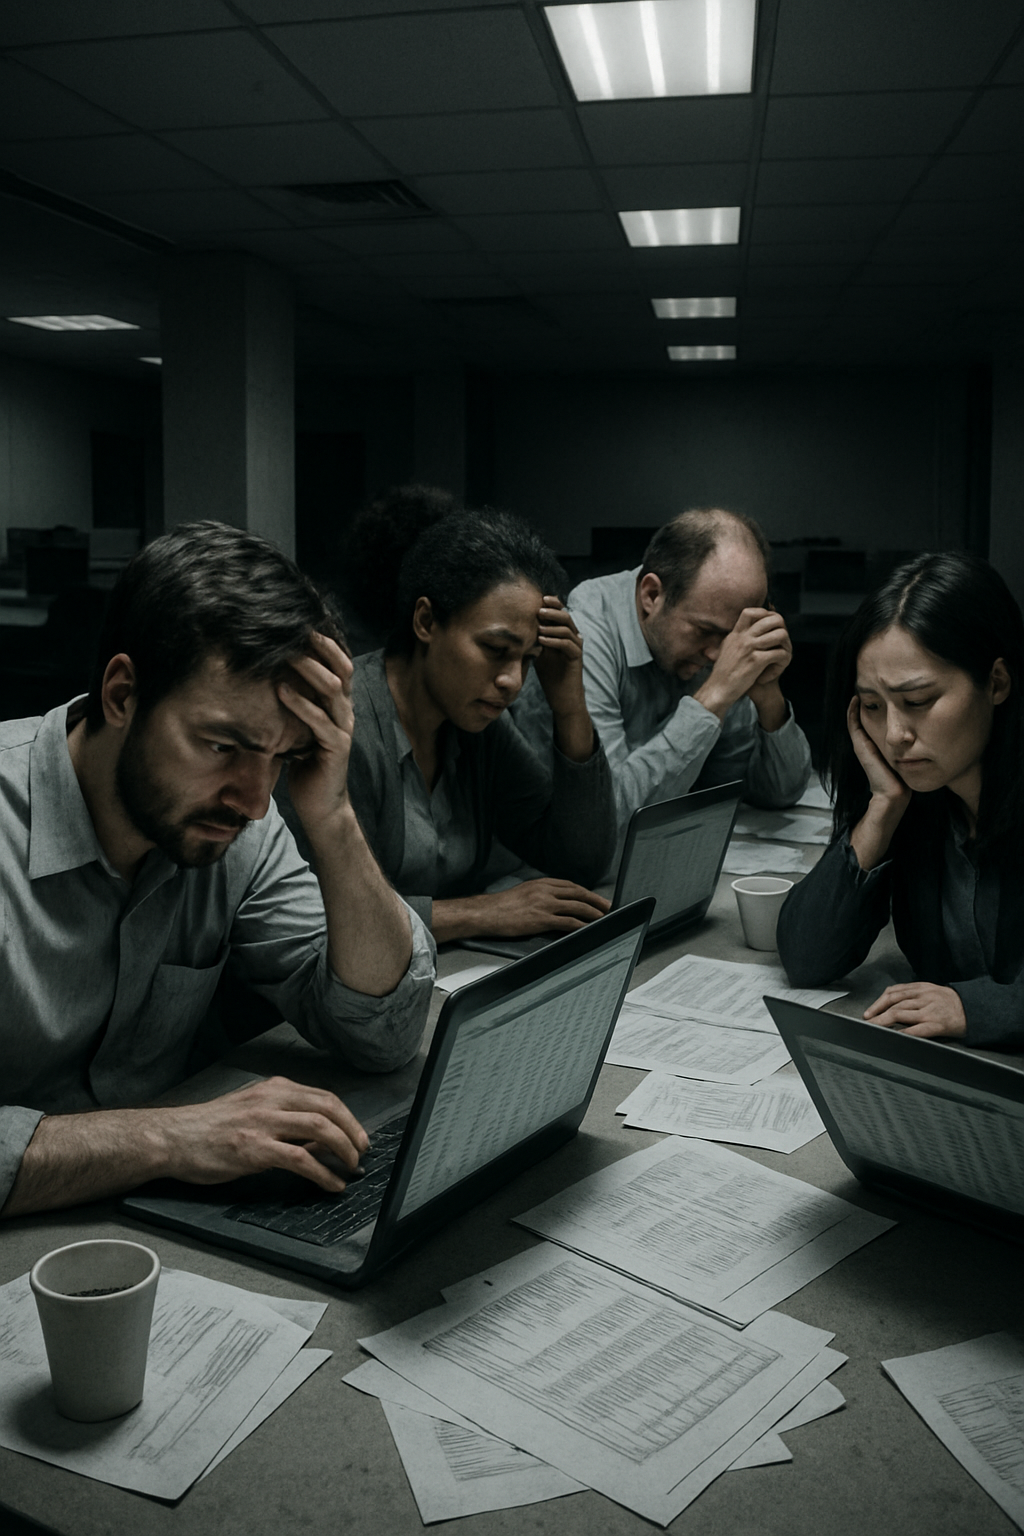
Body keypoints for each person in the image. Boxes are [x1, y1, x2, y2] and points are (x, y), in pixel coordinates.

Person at [0, 522, 435, 1219]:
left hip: (159, 1233)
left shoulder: (234, 828)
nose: (256, 802)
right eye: (223, 745)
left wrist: (332, 818)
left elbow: (384, 1032)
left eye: (283, 757)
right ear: (121, 694)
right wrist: (167, 1136)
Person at [285, 508, 617, 944]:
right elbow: (327, 920)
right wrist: (479, 914)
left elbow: (580, 860)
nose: (512, 682)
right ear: (426, 621)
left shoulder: (479, 728)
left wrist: (570, 707)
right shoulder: (344, 728)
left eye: (530, 660)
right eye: (496, 649)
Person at [777, 551, 1024, 1047]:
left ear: (996, 683)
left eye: (918, 702)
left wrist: (975, 1008)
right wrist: (882, 808)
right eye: (871, 706)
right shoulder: (923, 801)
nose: (893, 734)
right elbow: (807, 957)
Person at [512, 508, 811, 846]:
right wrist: (713, 697)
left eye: (729, 637)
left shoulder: (719, 642)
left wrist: (768, 696)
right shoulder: (585, 637)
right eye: (704, 631)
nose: (716, 655)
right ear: (651, 595)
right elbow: (607, 823)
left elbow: (772, 795)